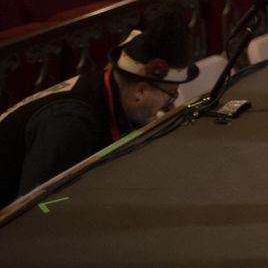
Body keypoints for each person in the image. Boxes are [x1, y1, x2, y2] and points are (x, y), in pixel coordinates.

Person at [0, 16, 196, 204]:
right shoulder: (70, 123)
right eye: (171, 94)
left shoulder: (103, 87)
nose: (171, 104)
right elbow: (38, 207)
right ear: (141, 91)